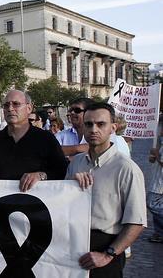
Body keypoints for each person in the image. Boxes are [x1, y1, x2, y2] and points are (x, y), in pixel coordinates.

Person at [66, 103, 146, 277]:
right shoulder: (76, 163)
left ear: (113, 128)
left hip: (106, 247)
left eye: (101, 124)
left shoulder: (127, 169)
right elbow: (62, 205)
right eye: (88, 124)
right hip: (72, 246)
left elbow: (137, 222)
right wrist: (70, 185)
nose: (93, 129)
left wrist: (108, 254)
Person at [0, 90, 67, 192]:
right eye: (6, 105)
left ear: (29, 108)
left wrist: (41, 175)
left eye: (16, 104)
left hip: (35, 204)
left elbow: (62, 170)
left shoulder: (46, 139)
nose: (10, 109)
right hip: (0, 203)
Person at [146, 119, 163, 244]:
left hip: (160, 183)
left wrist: (156, 154)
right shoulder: (160, 141)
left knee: (152, 203)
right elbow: (154, 160)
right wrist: (153, 156)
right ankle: (159, 233)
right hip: (157, 179)